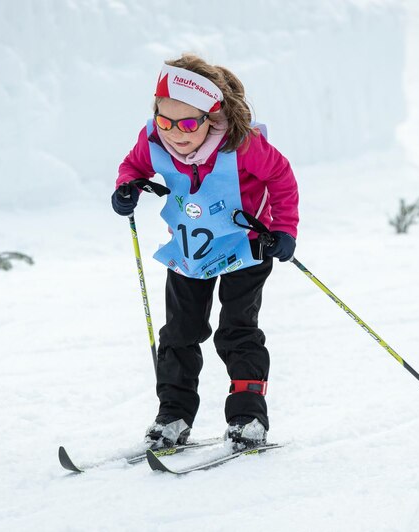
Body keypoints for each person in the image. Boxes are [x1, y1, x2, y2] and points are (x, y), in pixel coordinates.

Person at [111, 53, 299, 450]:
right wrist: (127, 188)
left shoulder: (242, 144)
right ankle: (172, 416)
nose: (175, 134)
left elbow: (281, 177)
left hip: (244, 248)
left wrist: (284, 229)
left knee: (237, 331)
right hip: (188, 252)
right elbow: (133, 166)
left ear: (212, 118)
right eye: (165, 121)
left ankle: (248, 418)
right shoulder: (154, 140)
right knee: (179, 332)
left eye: (187, 124)